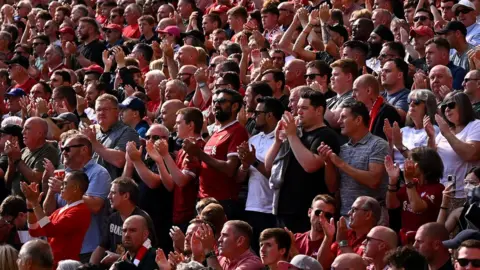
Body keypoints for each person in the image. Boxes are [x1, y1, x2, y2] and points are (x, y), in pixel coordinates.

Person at [266, 89, 340, 233]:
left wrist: (292, 136)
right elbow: (269, 165)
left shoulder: (326, 135)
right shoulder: (295, 132)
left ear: (319, 110)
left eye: (304, 108)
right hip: (283, 208)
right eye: (298, 108)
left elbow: (310, 166)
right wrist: (277, 141)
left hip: (306, 210)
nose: (299, 112)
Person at [43, 133, 111, 263]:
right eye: (61, 149)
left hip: (86, 248)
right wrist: (51, 191)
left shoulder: (98, 173)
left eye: (67, 149)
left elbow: (95, 206)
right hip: (61, 248)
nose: (63, 152)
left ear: (84, 149)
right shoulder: (63, 174)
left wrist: (64, 188)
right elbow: (47, 212)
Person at [183, 89, 248, 220]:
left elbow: (230, 169)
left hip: (222, 201)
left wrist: (199, 154)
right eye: (214, 102)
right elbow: (208, 162)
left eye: (222, 101)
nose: (216, 105)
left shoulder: (237, 131)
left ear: (235, 106)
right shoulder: (217, 132)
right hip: (204, 199)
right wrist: (193, 158)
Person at [319, 101, 388, 219]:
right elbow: (332, 187)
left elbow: (374, 181)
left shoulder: (378, 145)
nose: (339, 121)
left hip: (371, 218)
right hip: (345, 216)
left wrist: (341, 164)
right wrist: (328, 163)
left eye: (343, 117)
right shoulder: (343, 149)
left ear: (358, 120)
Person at [236, 97, 284, 251]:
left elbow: (277, 177)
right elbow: (239, 178)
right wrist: (244, 165)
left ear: (270, 115)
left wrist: (254, 161)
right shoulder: (254, 140)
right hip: (252, 206)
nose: (253, 116)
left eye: (257, 113)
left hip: (272, 209)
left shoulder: (283, 141)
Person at [148, 108, 205, 229]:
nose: (174, 126)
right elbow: (170, 186)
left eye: (179, 123)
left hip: (190, 215)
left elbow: (182, 181)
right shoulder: (181, 151)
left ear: (191, 125)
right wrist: (159, 160)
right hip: (178, 213)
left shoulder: (197, 147)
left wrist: (165, 155)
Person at [24, 171, 91, 266]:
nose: (61, 187)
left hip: (66, 266)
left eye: (64, 184)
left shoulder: (80, 211)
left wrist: (35, 204)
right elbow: (34, 230)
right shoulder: (60, 211)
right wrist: (30, 206)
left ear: (75, 188)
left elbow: (50, 230)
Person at [123, 124, 173, 251]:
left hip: (160, 220)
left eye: (155, 137)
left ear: (166, 140)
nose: (150, 140)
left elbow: (154, 182)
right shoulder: (142, 157)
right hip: (140, 218)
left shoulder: (169, 158)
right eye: (147, 137)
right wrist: (129, 162)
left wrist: (136, 161)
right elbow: (124, 184)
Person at [90, 177, 156, 267]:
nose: (109, 196)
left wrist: (119, 258)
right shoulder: (113, 218)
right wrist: (90, 266)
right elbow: (102, 247)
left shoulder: (142, 220)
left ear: (126, 196)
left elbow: (147, 255)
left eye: (113, 193)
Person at [433, 92, 480, 206]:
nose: (447, 109)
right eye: (444, 107)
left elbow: (470, 154)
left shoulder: (475, 125)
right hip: (444, 193)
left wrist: (447, 134)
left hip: (465, 195)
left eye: (451, 105)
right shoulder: (446, 130)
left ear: (463, 106)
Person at [80, 94, 140, 180]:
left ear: (117, 112)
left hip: (114, 189)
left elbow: (120, 160)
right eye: (98, 110)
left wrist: (94, 142)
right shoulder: (94, 132)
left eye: (106, 109)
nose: (101, 113)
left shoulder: (127, 132)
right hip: (91, 183)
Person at [317, 196, 380, 269]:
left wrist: (343, 243)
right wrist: (328, 237)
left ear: (368, 215)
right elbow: (322, 264)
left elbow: (361, 267)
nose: (349, 213)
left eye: (354, 210)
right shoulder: (346, 234)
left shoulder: (376, 240)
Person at [5, 117, 60, 196]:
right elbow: (7, 182)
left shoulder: (48, 151)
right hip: (15, 201)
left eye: (27, 129)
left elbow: (36, 181)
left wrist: (17, 160)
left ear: (39, 133)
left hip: (30, 205)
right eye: (23, 128)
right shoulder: (23, 151)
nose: (23, 132)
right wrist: (11, 161)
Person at [385, 90, 439, 170]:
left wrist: (400, 146)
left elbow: (423, 160)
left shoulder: (433, 130)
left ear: (428, 106)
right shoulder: (403, 130)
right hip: (396, 176)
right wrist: (390, 141)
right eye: (409, 101)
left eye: (416, 102)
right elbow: (390, 160)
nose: (411, 104)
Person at [194, 220, 264, 270]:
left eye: (225, 235)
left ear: (240, 241)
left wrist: (209, 250)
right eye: (220, 235)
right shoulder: (220, 258)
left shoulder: (253, 263)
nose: (219, 240)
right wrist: (196, 255)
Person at [352, 74, 401, 140]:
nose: (353, 95)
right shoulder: (359, 113)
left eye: (356, 90)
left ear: (368, 91)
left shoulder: (387, 112)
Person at [325, 59, 357, 130]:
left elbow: (334, 121)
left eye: (335, 75)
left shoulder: (354, 97)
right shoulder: (329, 100)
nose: (331, 78)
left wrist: (318, 96)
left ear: (348, 77)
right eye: (331, 75)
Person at [380, 58, 410, 123]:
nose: (382, 74)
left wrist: (380, 101)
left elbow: (401, 116)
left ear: (400, 75)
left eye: (387, 71)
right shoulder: (380, 95)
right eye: (382, 71)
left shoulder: (408, 95)